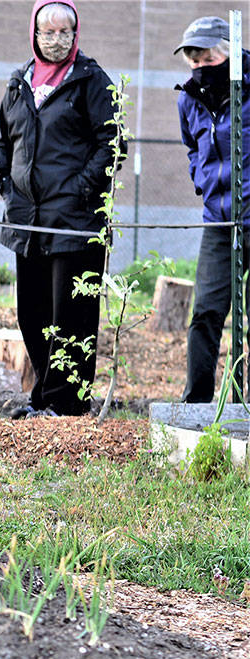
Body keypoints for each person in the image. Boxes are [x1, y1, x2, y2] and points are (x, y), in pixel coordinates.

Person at [0, 0, 121, 418]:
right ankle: (44, 399)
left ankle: (67, 405)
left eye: (64, 31)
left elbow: (113, 144)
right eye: (47, 32)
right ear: (34, 33)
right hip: (26, 222)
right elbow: (3, 141)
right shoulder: (19, 83)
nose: (56, 39)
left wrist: (81, 190)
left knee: (72, 317)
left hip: (75, 223)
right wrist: (5, 183)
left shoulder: (92, 81)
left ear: (76, 33)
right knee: (33, 314)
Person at [174, 15, 250, 403]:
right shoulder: (188, 98)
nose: (201, 68)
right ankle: (197, 404)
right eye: (194, 61)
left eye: (208, 59)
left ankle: (243, 403)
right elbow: (193, 148)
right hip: (218, 222)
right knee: (205, 313)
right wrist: (202, 181)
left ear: (230, 53)